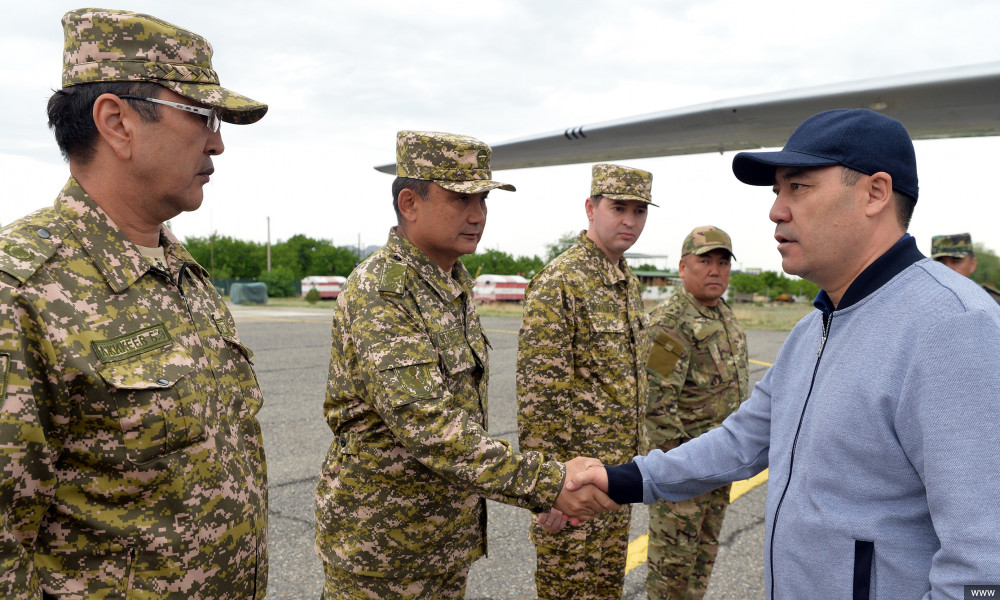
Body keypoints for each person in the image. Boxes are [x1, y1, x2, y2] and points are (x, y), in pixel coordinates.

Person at [568, 109, 1000, 598]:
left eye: (799, 187)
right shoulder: (813, 328)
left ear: (875, 193)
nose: (776, 210)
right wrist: (622, 479)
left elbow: (982, 565)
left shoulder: (953, 328)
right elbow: (741, 442)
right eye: (777, 192)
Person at [0, 9, 269, 599]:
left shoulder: (183, 273)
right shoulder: (20, 291)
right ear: (117, 122)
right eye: (203, 115)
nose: (218, 141)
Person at [314, 131, 615, 600]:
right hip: (382, 551)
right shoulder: (383, 289)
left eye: (483, 199)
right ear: (410, 203)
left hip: (439, 540)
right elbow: (427, 423)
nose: (477, 215)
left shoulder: (450, 283)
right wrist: (549, 482)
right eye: (460, 199)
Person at [517, 163, 655, 600]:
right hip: (573, 491)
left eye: (640, 211)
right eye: (619, 208)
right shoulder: (561, 282)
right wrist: (547, 492)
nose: (630, 221)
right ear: (591, 208)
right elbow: (539, 399)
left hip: (615, 480)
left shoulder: (626, 281)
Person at [643, 226, 748, 600]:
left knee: (701, 563)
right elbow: (655, 407)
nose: (715, 270)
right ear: (684, 266)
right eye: (705, 261)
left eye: (722, 262)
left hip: (718, 468)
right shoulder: (670, 322)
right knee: (671, 573)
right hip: (685, 472)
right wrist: (679, 473)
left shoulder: (721, 312)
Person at [931, 232, 1000, 303]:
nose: (948, 268)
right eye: (941, 262)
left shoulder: (993, 302)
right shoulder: (924, 299)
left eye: (956, 261)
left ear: (972, 264)